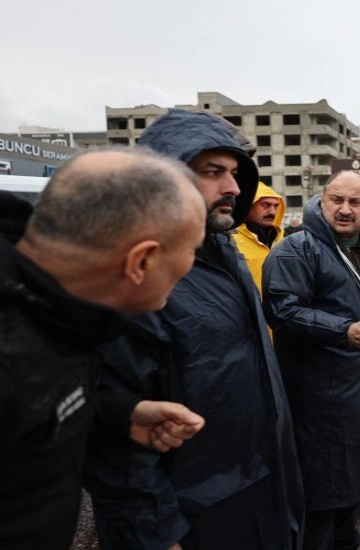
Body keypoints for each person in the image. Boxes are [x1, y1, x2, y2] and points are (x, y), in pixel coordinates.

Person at [83, 110, 304, 550]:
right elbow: (114, 431)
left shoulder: (221, 248)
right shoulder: (133, 270)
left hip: (260, 493)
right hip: (192, 515)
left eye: (235, 173)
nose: (233, 187)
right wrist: (156, 534)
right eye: (212, 172)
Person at [0, 148, 209, 550]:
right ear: (141, 261)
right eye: (191, 250)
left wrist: (116, 414)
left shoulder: (56, 308)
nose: (191, 266)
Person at [262, 171, 360, 549]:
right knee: (319, 497)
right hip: (318, 394)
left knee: (353, 490)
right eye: (336, 200)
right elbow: (282, 311)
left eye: (355, 202)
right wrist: (344, 330)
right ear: (323, 200)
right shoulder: (296, 249)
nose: (345, 209)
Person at [232, 181, 285, 291]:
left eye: (276, 206)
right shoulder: (230, 239)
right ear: (248, 206)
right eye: (265, 205)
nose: (272, 211)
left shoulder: (283, 239)